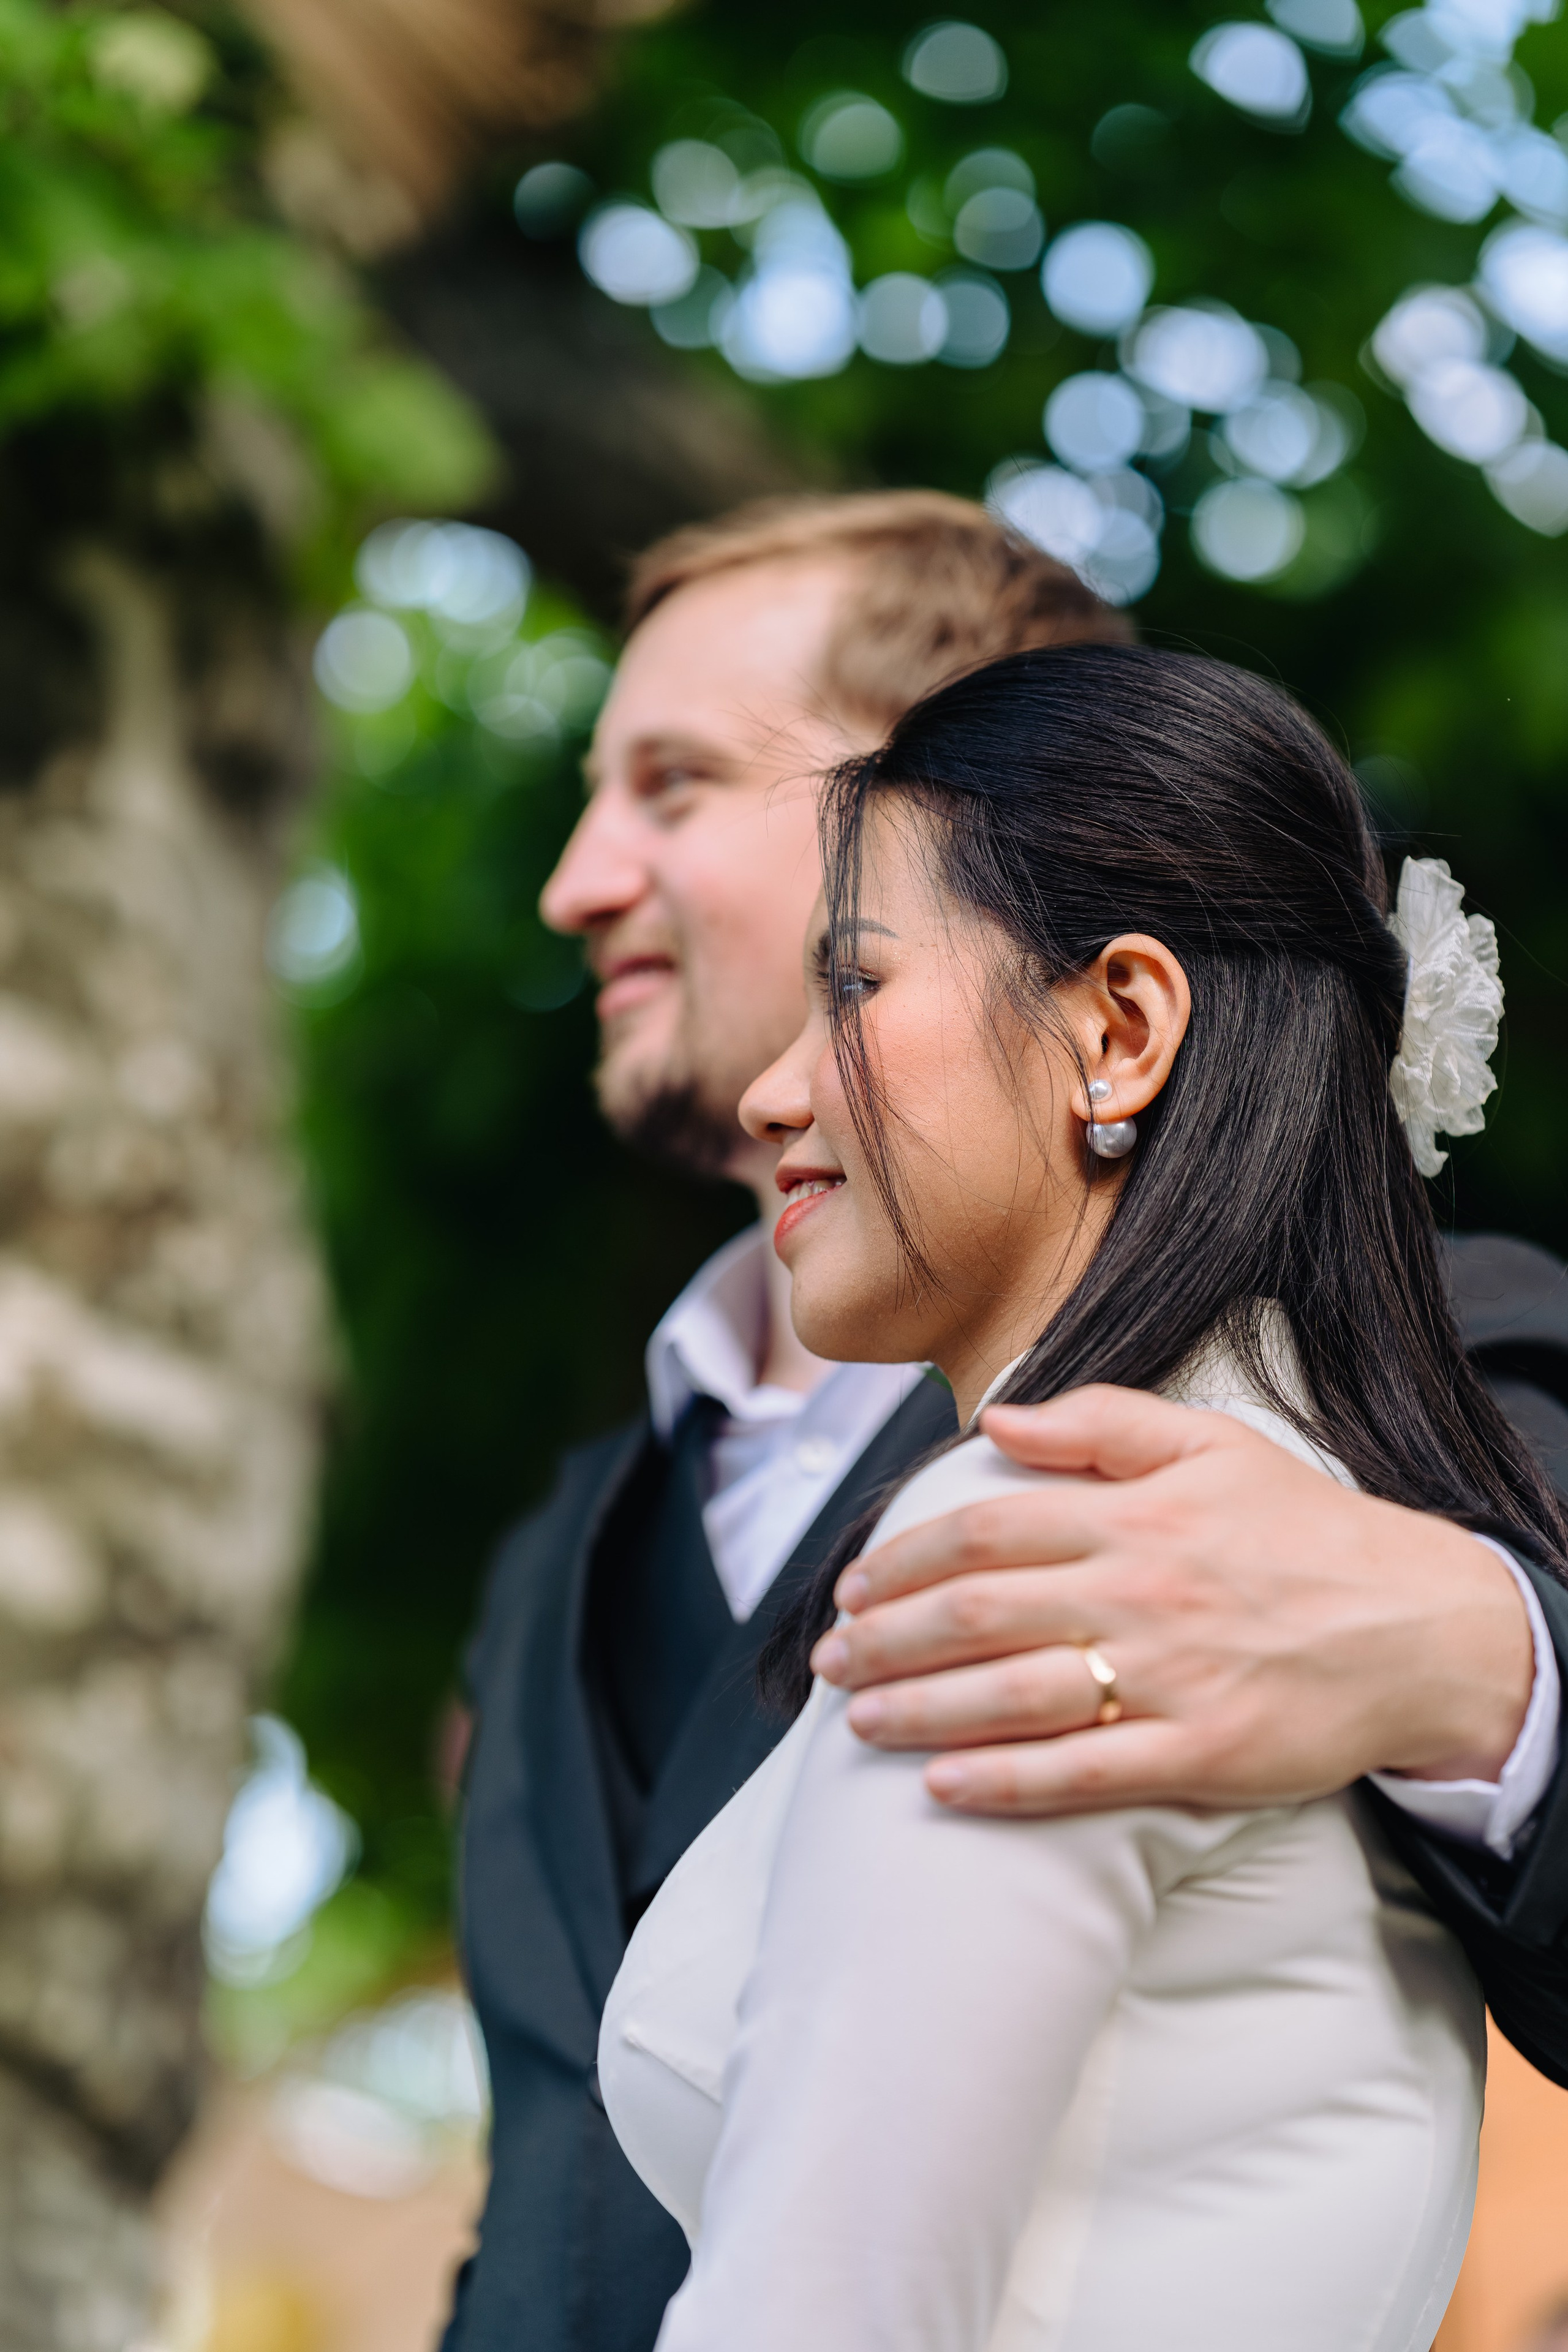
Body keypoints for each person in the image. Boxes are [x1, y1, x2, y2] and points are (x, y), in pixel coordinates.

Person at [442, 492, 1568, 2352]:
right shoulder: (572, 1541)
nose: (576, 879)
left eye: (676, 782)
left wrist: (1476, 1657)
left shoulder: (1257, 1427)